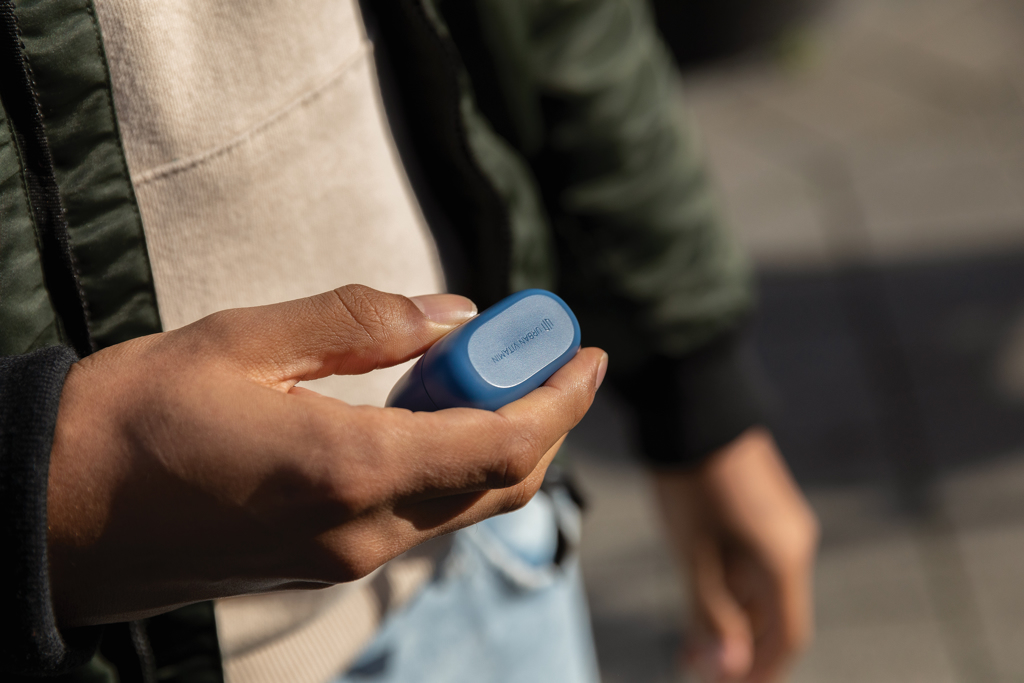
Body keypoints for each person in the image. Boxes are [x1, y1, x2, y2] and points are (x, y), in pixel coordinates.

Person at [0, 0, 818, 681]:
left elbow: (557, 21)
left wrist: (694, 386)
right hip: (122, 647)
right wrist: (38, 491)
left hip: (489, 546)